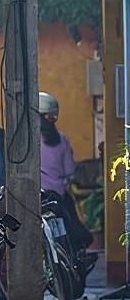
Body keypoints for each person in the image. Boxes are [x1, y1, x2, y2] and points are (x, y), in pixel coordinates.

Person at [39, 92, 92, 252]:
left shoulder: (29, 140)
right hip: (58, 196)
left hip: (37, 196)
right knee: (71, 227)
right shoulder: (62, 139)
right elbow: (69, 170)